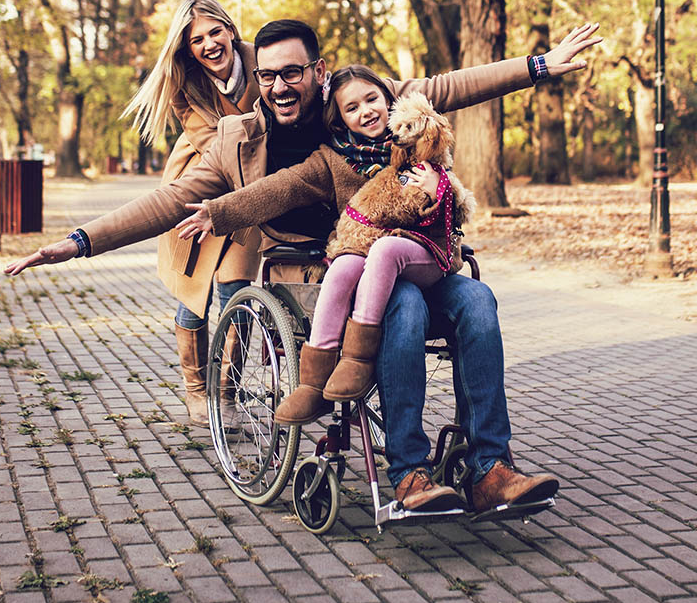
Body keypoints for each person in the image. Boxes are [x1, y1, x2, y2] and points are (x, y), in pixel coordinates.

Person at [5, 18, 602, 514]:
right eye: (267, 76)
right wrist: (79, 241)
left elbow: (449, 88)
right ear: (257, 79)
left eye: (293, 72)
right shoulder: (240, 139)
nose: (280, 86)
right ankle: (409, 473)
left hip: (412, 256)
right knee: (404, 304)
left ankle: (490, 467)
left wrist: (542, 65)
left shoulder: (363, 101)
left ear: (317, 71)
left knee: (477, 300)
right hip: (314, 281)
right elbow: (172, 201)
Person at [174, 67, 478, 430]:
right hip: (370, 271)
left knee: (475, 300)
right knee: (353, 272)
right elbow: (279, 188)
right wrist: (219, 212)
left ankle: (486, 458)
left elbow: (458, 201)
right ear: (339, 120)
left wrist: (435, 189)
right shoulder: (331, 161)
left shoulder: (420, 148)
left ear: (389, 102)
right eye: (352, 108)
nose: (365, 111)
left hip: (426, 257)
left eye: (372, 100)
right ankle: (317, 385)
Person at [121, 0, 261, 425]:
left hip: (254, 181)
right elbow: (211, 143)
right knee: (194, 291)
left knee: (235, 289)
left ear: (231, 29)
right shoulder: (186, 83)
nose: (209, 44)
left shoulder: (263, 61)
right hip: (199, 179)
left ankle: (228, 392)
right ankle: (197, 392)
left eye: (215, 32)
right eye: (197, 40)